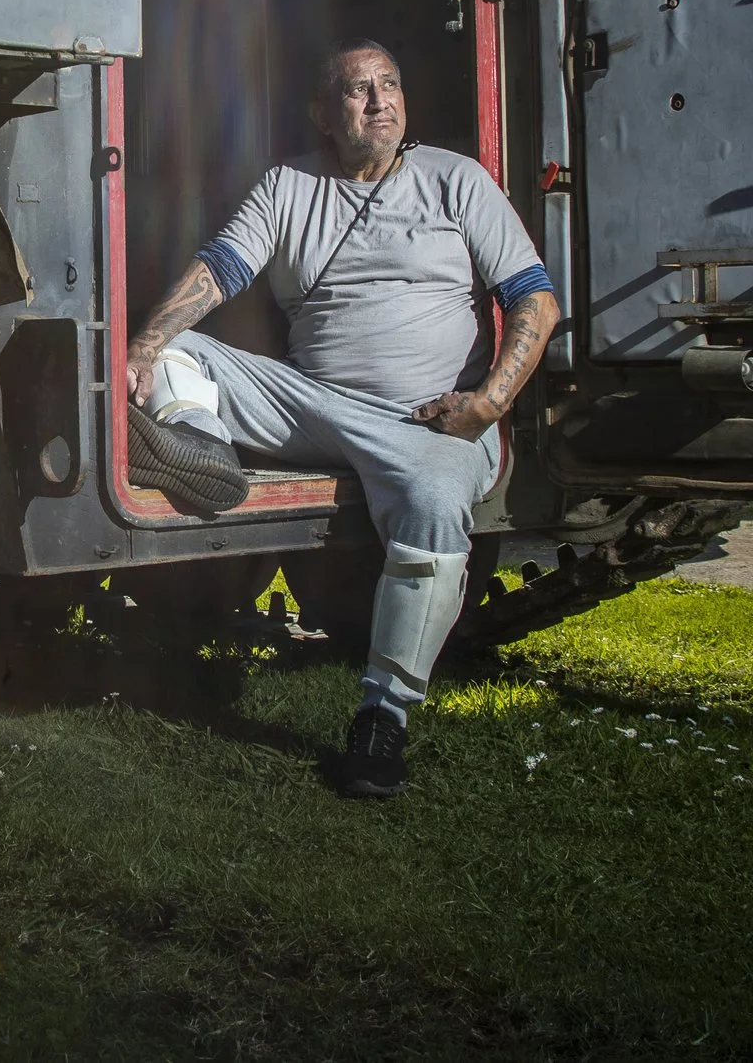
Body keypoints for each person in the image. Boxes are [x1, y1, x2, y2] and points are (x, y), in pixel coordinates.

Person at [124, 40, 560, 798]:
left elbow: (535, 299)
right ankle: (197, 450)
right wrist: (142, 346)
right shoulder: (287, 183)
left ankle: (383, 716)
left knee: (430, 503)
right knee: (180, 352)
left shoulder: (457, 179)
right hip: (313, 403)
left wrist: (489, 402)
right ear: (323, 114)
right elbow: (220, 269)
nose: (379, 100)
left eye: (389, 84)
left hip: (429, 420)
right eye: (358, 90)